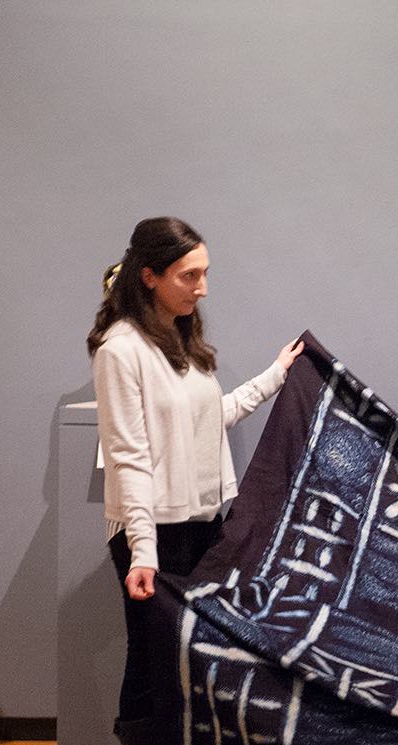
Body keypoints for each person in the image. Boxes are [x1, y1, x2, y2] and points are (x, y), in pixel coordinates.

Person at [87, 216, 303, 742]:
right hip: (155, 531)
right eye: (189, 276)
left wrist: (275, 377)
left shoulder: (183, 343)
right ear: (149, 276)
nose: (202, 289)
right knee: (151, 658)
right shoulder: (121, 350)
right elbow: (128, 455)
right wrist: (143, 551)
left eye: (205, 275)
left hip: (205, 523)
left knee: (194, 657)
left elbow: (209, 420)